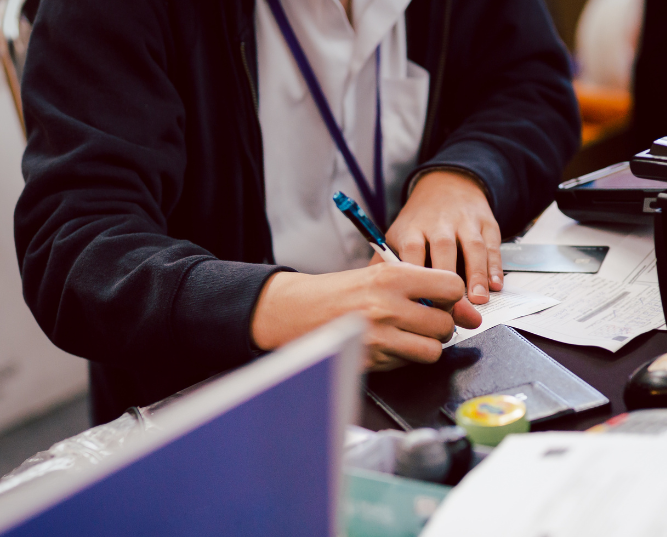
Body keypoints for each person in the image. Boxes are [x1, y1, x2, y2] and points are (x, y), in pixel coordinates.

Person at [14, 0, 580, 424]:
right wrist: (281, 308)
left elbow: (532, 87)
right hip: (220, 406)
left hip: (431, 366)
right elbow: (75, 251)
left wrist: (461, 176)